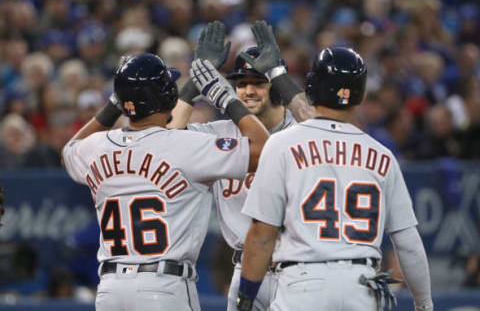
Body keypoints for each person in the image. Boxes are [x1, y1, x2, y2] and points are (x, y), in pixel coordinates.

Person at [61, 52, 269, 311]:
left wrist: (117, 101)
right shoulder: (186, 145)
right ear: (167, 97)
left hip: (110, 290)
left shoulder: (97, 147)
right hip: (163, 287)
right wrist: (227, 99)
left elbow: (69, 149)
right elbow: (264, 149)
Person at [237, 47, 434, 311]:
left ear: (311, 87)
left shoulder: (281, 144)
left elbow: (262, 234)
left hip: (302, 284)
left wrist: (246, 297)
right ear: (360, 94)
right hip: (361, 286)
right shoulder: (382, 154)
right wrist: (424, 305)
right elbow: (408, 243)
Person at [169, 20, 313, 310]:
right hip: (243, 270)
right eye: (241, 84)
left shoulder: (301, 130)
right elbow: (168, 138)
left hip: (298, 269)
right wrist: (194, 84)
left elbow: (329, 135)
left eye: (258, 83)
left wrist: (281, 77)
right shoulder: (220, 132)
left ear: (275, 88)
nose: (247, 91)